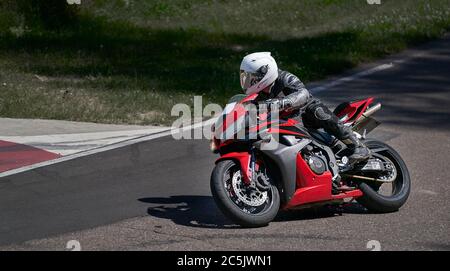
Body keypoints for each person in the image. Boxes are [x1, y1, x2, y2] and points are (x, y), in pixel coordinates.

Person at [239, 52, 370, 163]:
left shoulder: (284, 78)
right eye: (247, 78)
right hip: (289, 123)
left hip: (306, 112)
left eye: (253, 78)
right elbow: (252, 110)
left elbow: (303, 94)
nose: (249, 81)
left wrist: (281, 103)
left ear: (265, 71)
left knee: (318, 112)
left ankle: (358, 146)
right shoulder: (260, 94)